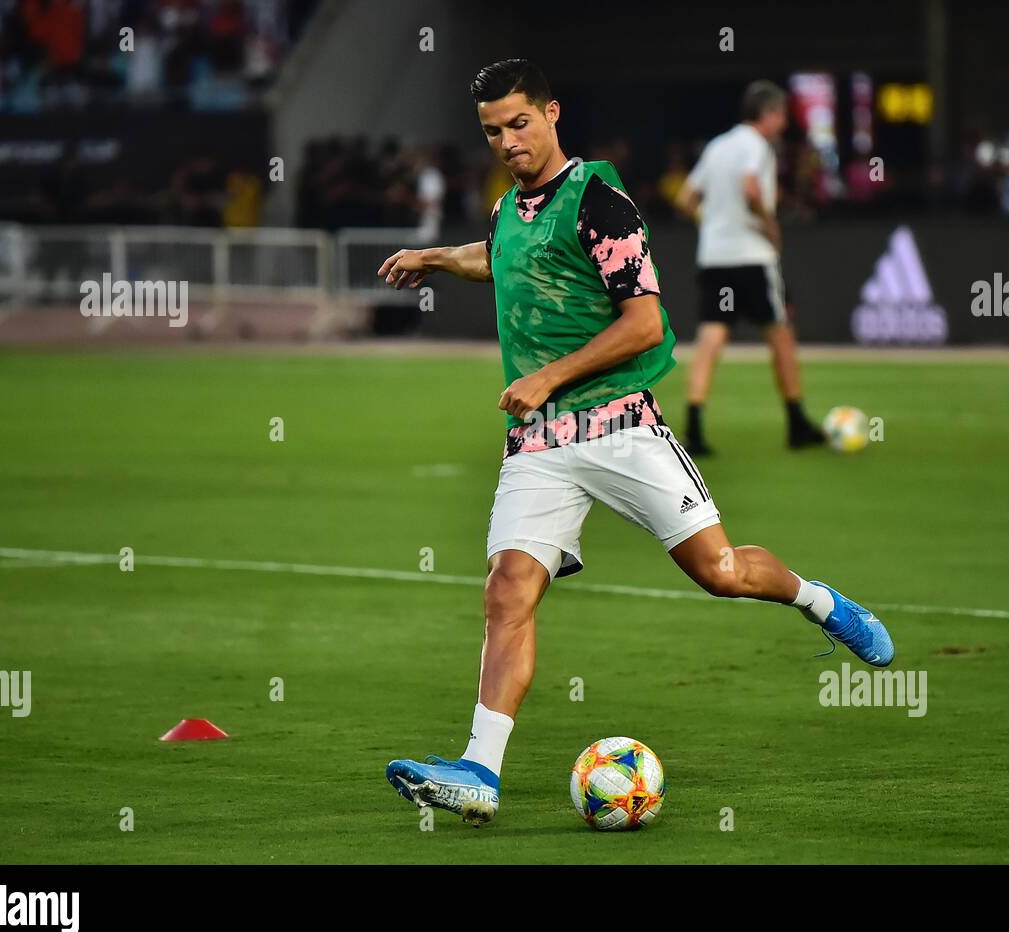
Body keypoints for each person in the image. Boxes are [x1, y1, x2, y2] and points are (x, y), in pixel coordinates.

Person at [376, 59, 894, 826]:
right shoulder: (509, 209)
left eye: (520, 123)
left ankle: (820, 601)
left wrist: (549, 375)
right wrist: (435, 258)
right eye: (493, 131)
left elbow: (644, 322)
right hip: (540, 444)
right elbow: (503, 258)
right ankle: (480, 769)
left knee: (719, 572)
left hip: (622, 427)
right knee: (507, 588)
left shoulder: (601, 200)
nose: (509, 142)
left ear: (552, 112)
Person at [672, 80, 824, 456]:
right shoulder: (757, 147)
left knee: (711, 339)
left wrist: (711, 224)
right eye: (782, 115)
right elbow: (752, 187)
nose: (784, 124)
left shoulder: (718, 146)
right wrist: (770, 226)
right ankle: (797, 422)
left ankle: (693, 426)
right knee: (780, 334)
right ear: (769, 113)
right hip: (753, 257)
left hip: (716, 258)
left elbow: (684, 199)